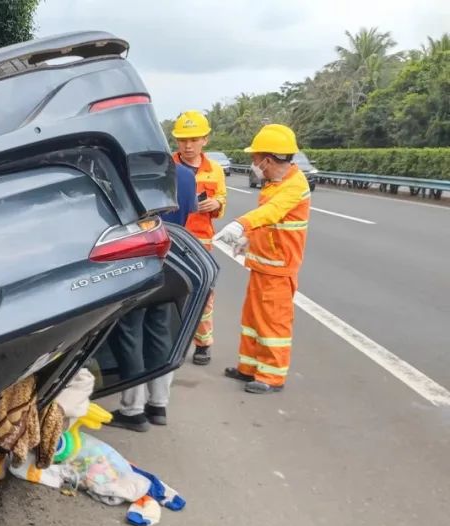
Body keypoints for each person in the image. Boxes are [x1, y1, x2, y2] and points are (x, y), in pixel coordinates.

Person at [215, 124, 311, 394]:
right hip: (262, 265)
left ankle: (271, 376)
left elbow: (272, 212)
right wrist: (248, 239)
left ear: (267, 160)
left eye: (255, 158)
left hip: (279, 270)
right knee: (253, 320)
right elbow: (269, 223)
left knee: (273, 324)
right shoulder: (275, 183)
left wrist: (240, 225)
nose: (254, 164)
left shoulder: (295, 186)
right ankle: (248, 368)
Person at [106, 163, 198, 431]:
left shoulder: (124, 172)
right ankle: (158, 404)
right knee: (160, 332)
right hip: (170, 263)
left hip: (136, 262)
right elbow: (188, 213)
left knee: (129, 334)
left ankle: (133, 410)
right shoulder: (185, 176)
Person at [171, 111, 228, 366]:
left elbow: (222, 200)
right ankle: (171, 345)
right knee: (171, 293)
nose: (188, 145)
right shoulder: (166, 167)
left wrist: (216, 203)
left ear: (205, 139)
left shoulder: (215, 170)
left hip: (201, 243)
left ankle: (203, 344)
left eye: (194, 140)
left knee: (204, 294)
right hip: (172, 239)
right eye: (183, 140)